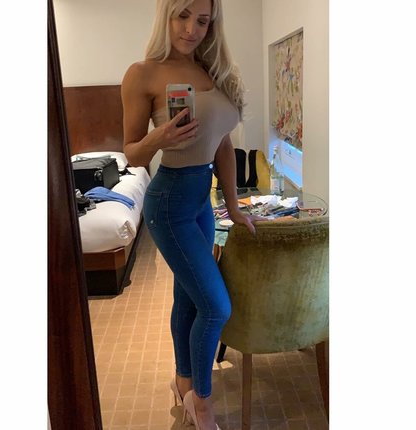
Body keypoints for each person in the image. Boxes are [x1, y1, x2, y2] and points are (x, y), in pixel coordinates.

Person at [121, 0, 263, 428]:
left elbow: (223, 145)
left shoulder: (213, 70)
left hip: (202, 200)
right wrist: (160, 137)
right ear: (166, 15)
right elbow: (131, 154)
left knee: (188, 296)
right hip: (169, 203)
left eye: (203, 20)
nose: (192, 29)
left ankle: (183, 381)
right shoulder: (142, 74)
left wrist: (233, 206)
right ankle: (201, 402)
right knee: (216, 308)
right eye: (183, 16)